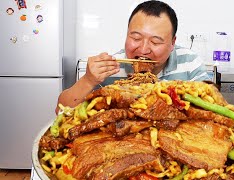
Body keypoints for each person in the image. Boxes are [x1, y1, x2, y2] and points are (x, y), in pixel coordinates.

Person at [55, 0, 209, 113]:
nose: (143, 49)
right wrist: (88, 80)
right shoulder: (112, 69)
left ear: (172, 42)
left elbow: (209, 112)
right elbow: (61, 111)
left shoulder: (190, 63)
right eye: (135, 38)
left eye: (155, 41)